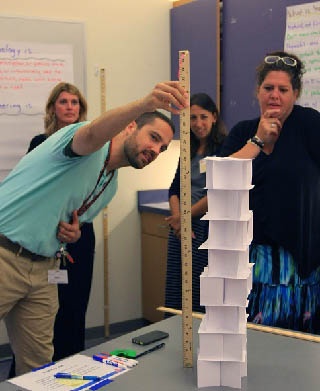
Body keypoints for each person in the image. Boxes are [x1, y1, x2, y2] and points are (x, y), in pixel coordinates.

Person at [0, 80, 188, 375]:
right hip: (5, 255)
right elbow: (92, 132)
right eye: (152, 137)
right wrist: (144, 104)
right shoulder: (82, 142)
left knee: (38, 367)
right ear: (129, 127)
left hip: (43, 271)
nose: (155, 150)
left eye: (162, 148)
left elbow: (72, 220)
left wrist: (72, 234)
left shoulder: (110, 186)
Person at [218, 50, 320, 334]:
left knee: (298, 345)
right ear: (257, 91)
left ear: (295, 94)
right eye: (268, 88)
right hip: (252, 258)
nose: (275, 95)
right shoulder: (243, 131)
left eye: (283, 89)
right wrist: (258, 141)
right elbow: (221, 178)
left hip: (300, 261)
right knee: (255, 342)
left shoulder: (309, 125)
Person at [8, 82, 95, 378]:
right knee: (36, 316)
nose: (70, 107)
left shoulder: (93, 148)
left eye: (75, 102)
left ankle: (71, 372)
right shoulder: (39, 144)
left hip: (78, 238)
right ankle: (30, 374)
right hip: (43, 239)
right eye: (63, 102)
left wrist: (77, 226)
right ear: (53, 109)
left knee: (72, 308)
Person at [165, 93, 227, 313]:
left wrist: (185, 217)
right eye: (192, 118)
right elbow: (174, 189)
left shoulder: (224, 149)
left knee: (200, 294)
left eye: (203, 117)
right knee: (176, 292)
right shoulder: (187, 149)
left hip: (205, 230)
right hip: (181, 229)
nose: (198, 124)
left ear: (214, 117)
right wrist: (178, 222)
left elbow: (219, 193)